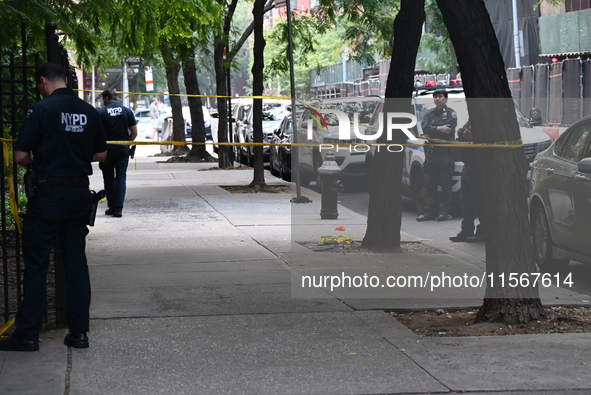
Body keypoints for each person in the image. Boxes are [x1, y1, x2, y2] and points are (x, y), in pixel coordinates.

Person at [0, 63, 107, 352]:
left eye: (39, 85)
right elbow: (101, 153)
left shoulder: (41, 110)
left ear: (43, 81)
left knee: (36, 266)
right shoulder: (88, 111)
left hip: (47, 196)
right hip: (77, 195)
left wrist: (42, 163)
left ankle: (28, 334)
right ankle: (80, 332)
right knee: (76, 264)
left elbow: (21, 154)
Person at [416, 89, 458, 222]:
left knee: (446, 184)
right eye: (435, 97)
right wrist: (439, 129)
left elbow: (448, 130)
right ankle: (428, 212)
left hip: (445, 154)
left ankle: (444, 212)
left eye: (440, 96)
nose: (437, 99)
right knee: (430, 184)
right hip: (431, 154)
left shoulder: (451, 113)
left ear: (446, 98)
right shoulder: (428, 114)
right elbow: (425, 128)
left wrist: (432, 131)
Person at [99, 89, 138, 218]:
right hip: (122, 149)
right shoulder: (127, 111)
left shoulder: (102, 112)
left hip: (106, 149)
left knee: (108, 178)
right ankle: (119, 208)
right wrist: (127, 143)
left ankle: (112, 206)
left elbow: (96, 133)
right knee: (121, 177)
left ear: (106, 98)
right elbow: (134, 132)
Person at [449, 121, 485, 242]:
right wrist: (461, 136)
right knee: (466, 202)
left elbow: (487, 146)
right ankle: (466, 230)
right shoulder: (470, 121)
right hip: (467, 168)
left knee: (480, 203)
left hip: (479, 169)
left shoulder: (484, 122)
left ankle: (483, 231)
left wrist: (474, 138)